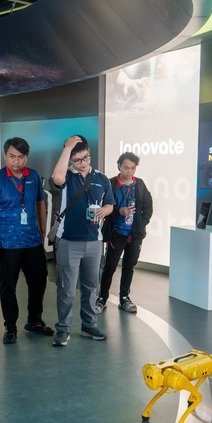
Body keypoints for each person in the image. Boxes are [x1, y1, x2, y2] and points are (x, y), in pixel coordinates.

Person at [0, 137, 54, 344]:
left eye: (21, 157)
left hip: (32, 241)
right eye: (12, 156)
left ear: (26, 157)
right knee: (8, 286)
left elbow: (40, 203)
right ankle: (10, 326)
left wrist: (43, 230)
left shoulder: (33, 176)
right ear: (5, 155)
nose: (16, 161)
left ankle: (34, 321)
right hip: (7, 243)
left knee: (39, 281)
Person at [50, 135, 114, 347]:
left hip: (94, 241)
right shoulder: (67, 175)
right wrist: (67, 148)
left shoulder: (102, 178)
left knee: (91, 287)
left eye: (85, 157)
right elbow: (57, 178)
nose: (83, 163)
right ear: (70, 159)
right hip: (68, 240)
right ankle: (63, 329)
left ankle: (89, 325)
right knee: (66, 289)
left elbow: (110, 204)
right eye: (77, 160)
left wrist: (105, 210)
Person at [95, 151, 153, 314]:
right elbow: (104, 207)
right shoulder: (111, 183)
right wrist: (118, 212)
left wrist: (140, 224)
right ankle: (102, 298)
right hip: (116, 233)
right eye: (126, 167)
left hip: (135, 235)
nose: (129, 171)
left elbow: (148, 207)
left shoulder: (139, 184)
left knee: (129, 266)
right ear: (119, 166)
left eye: (133, 168)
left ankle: (124, 298)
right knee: (110, 267)